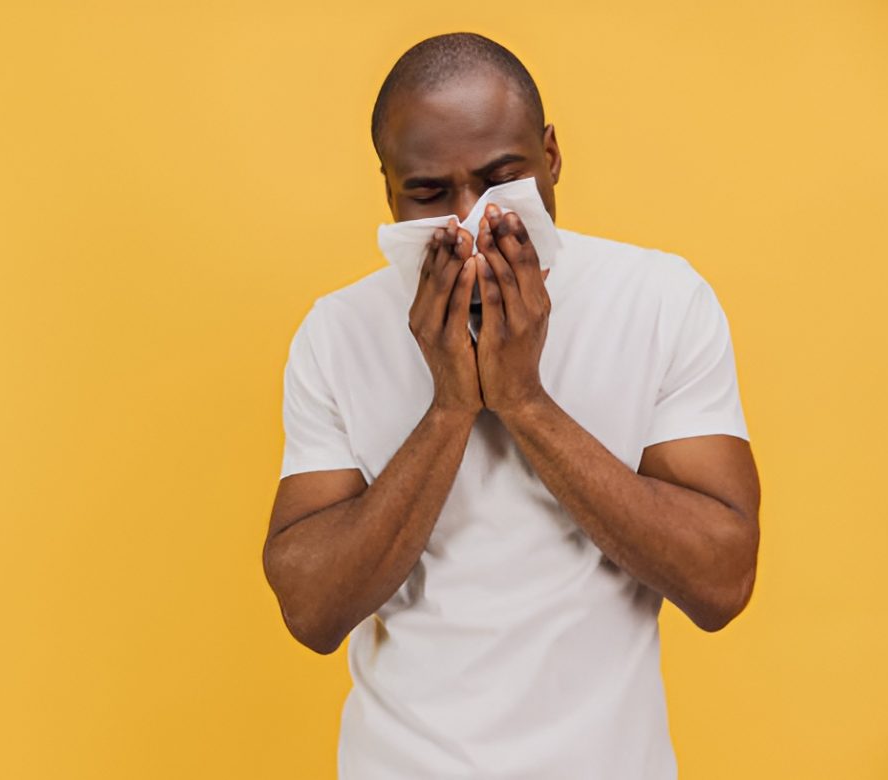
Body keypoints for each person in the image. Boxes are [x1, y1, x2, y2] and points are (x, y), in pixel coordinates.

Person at [260, 31, 761, 779]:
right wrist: (449, 410)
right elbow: (310, 608)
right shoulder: (337, 333)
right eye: (429, 193)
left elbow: (722, 581)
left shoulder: (660, 302)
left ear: (551, 156)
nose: (468, 220)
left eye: (501, 179)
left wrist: (525, 401)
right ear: (389, 190)